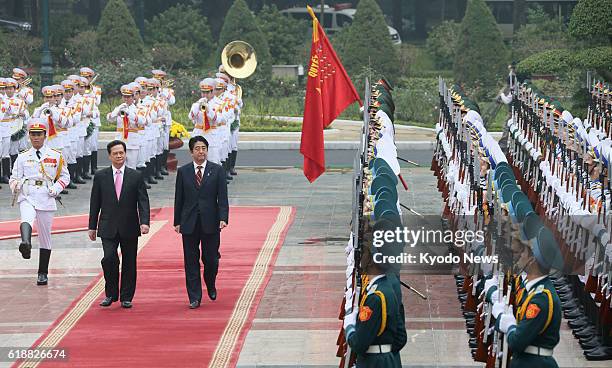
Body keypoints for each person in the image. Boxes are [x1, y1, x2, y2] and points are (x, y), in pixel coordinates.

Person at [88, 140, 150, 309]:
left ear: (125, 154)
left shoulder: (135, 176)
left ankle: (126, 296)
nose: (119, 156)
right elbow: (95, 202)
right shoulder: (101, 176)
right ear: (109, 156)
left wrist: (144, 222)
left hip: (129, 225)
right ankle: (110, 293)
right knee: (109, 259)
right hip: (107, 226)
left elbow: (143, 201)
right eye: (115, 153)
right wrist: (92, 226)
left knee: (129, 262)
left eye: (121, 153)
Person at [9, 118, 70, 285]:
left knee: (45, 236)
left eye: (39, 134)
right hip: (27, 194)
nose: (36, 137)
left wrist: (56, 189)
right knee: (26, 218)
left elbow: (65, 177)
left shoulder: (55, 156)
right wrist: (15, 186)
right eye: (33, 134)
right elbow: (14, 177)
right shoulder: (22, 157)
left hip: (46, 196)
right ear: (29, 136)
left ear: (45, 135)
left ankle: (42, 272)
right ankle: (26, 243)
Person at [173, 136, 228, 309]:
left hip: (210, 221)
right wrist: (177, 221)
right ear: (191, 152)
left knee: (210, 259)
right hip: (189, 222)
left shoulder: (217, 170)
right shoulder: (184, 172)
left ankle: (210, 283)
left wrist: (223, 218)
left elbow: (222, 198)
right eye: (197, 148)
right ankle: (194, 296)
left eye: (203, 148)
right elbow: (179, 198)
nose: (201, 151)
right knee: (191, 260)